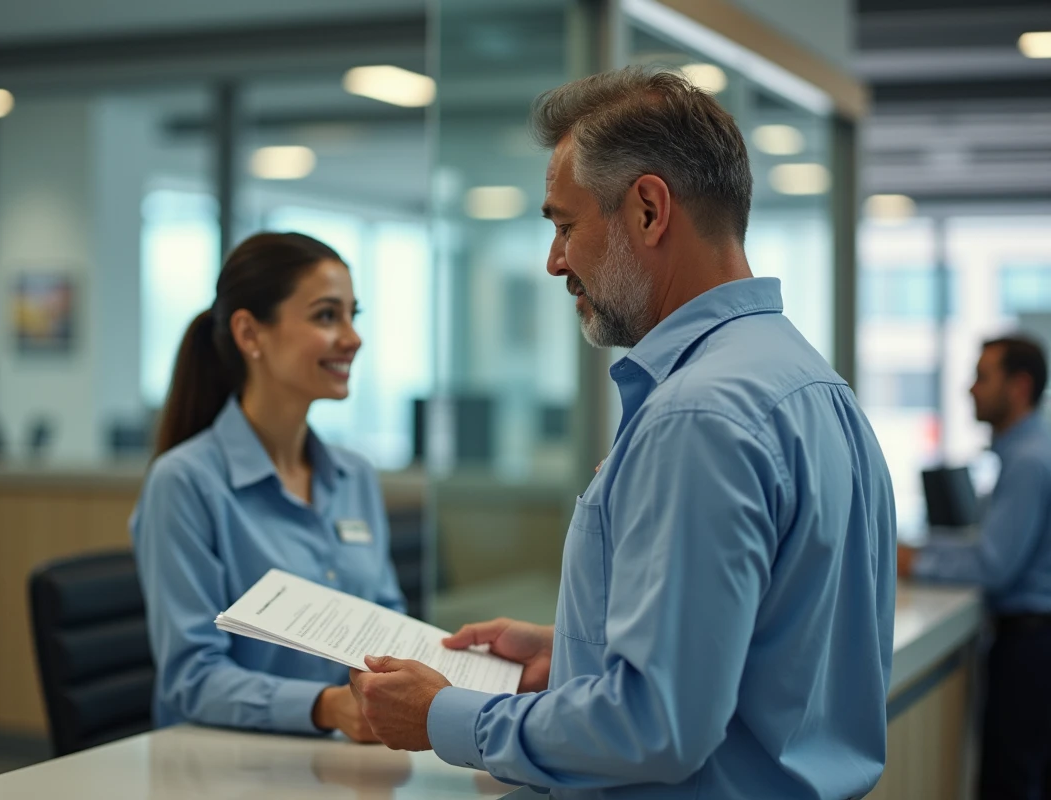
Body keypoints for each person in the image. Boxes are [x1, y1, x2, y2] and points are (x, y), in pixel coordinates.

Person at [346, 67, 897, 799]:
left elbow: (655, 725)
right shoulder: (812, 386)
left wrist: (443, 715)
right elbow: (777, 652)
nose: (554, 262)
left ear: (647, 210)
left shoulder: (699, 417)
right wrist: (581, 654)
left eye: (565, 226)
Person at [130, 232, 406, 743]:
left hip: (349, 758)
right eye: (327, 316)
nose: (353, 338)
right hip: (228, 763)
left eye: (353, 315)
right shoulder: (186, 483)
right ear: (250, 334)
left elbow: (389, 622)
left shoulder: (356, 477)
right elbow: (192, 679)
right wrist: (326, 707)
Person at [899, 335, 1051, 800]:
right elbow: (987, 544)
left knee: (1010, 784)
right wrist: (923, 548)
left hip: (1030, 646)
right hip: (1030, 641)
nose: (971, 388)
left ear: (1019, 386)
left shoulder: (1029, 461)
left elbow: (992, 564)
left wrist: (915, 560)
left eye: (983, 377)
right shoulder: (1028, 451)